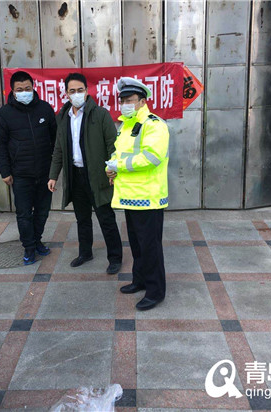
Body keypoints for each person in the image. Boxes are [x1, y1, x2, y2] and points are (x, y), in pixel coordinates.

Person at [48, 73, 123, 274]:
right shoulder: (63, 117)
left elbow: (112, 145)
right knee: (82, 218)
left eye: (80, 90)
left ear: (87, 91)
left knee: (106, 218)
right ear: (66, 94)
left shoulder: (100, 114)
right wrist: (53, 175)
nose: (76, 94)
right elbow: (58, 149)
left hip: (97, 175)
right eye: (72, 91)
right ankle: (85, 252)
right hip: (75, 175)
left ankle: (115, 258)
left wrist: (113, 169)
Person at [106, 77, 170, 311]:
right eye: (122, 100)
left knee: (150, 247)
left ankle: (155, 291)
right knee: (137, 244)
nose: (125, 104)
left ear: (142, 101)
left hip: (148, 197)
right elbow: (119, 152)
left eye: (130, 100)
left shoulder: (154, 125)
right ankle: (140, 280)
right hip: (131, 196)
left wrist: (119, 165)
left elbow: (151, 158)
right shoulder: (126, 125)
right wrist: (111, 166)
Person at [0, 71, 57, 265]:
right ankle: (29, 248)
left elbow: (55, 139)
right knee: (24, 214)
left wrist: (54, 169)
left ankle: (37, 241)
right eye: (19, 89)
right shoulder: (5, 114)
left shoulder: (45, 109)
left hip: (44, 173)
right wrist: (5, 171)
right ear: (12, 91)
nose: (24, 92)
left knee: (42, 211)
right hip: (20, 174)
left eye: (27, 88)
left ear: (33, 88)